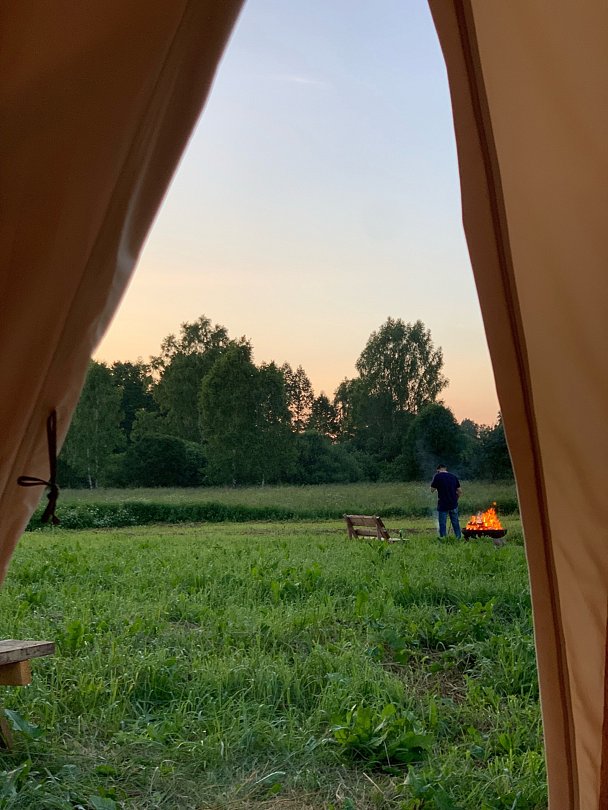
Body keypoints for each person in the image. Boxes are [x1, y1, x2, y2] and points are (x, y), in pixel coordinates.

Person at [430, 464, 462, 538]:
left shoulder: (437, 476)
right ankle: (458, 537)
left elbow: (432, 490)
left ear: (438, 470)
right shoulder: (453, 476)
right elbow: (460, 491)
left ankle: (443, 538)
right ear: (445, 469)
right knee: (455, 522)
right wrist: (456, 499)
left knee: (442, 523)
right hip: (453, 503)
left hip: (443, 504)